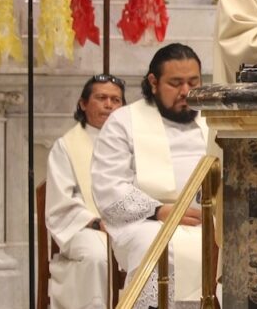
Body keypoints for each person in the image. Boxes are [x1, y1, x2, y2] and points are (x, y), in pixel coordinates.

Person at [92, 43, 214, 309]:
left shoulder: (214, 118)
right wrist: (159, 210)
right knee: (159, 248)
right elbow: (108, 185)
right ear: (153, 82)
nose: (186, 92)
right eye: (176, 83)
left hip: (211, 219)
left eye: (193, 82)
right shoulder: (124, 121)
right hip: (146, 221)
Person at [45, 74, 126, 308]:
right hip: (86, 228)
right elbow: (61, 201)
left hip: (129, 224)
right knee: (98, 257)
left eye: (116, 100)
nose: (109, 105)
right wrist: (95, 222)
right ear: (83, 103)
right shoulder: (66, 146)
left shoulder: (133, 142)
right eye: (101, 98)